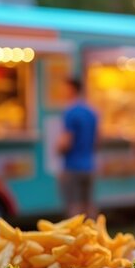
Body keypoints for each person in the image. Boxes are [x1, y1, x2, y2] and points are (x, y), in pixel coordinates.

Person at [56, 79, 98, 218]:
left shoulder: (70, 112)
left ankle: (75, 238)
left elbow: (66, 142)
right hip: (89, 165)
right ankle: (94, 236)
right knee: (88, 204)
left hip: (72, 166)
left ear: (72, 89)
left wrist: (57, 149)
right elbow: (98, 140)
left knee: (73, 206)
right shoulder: (91, 112)